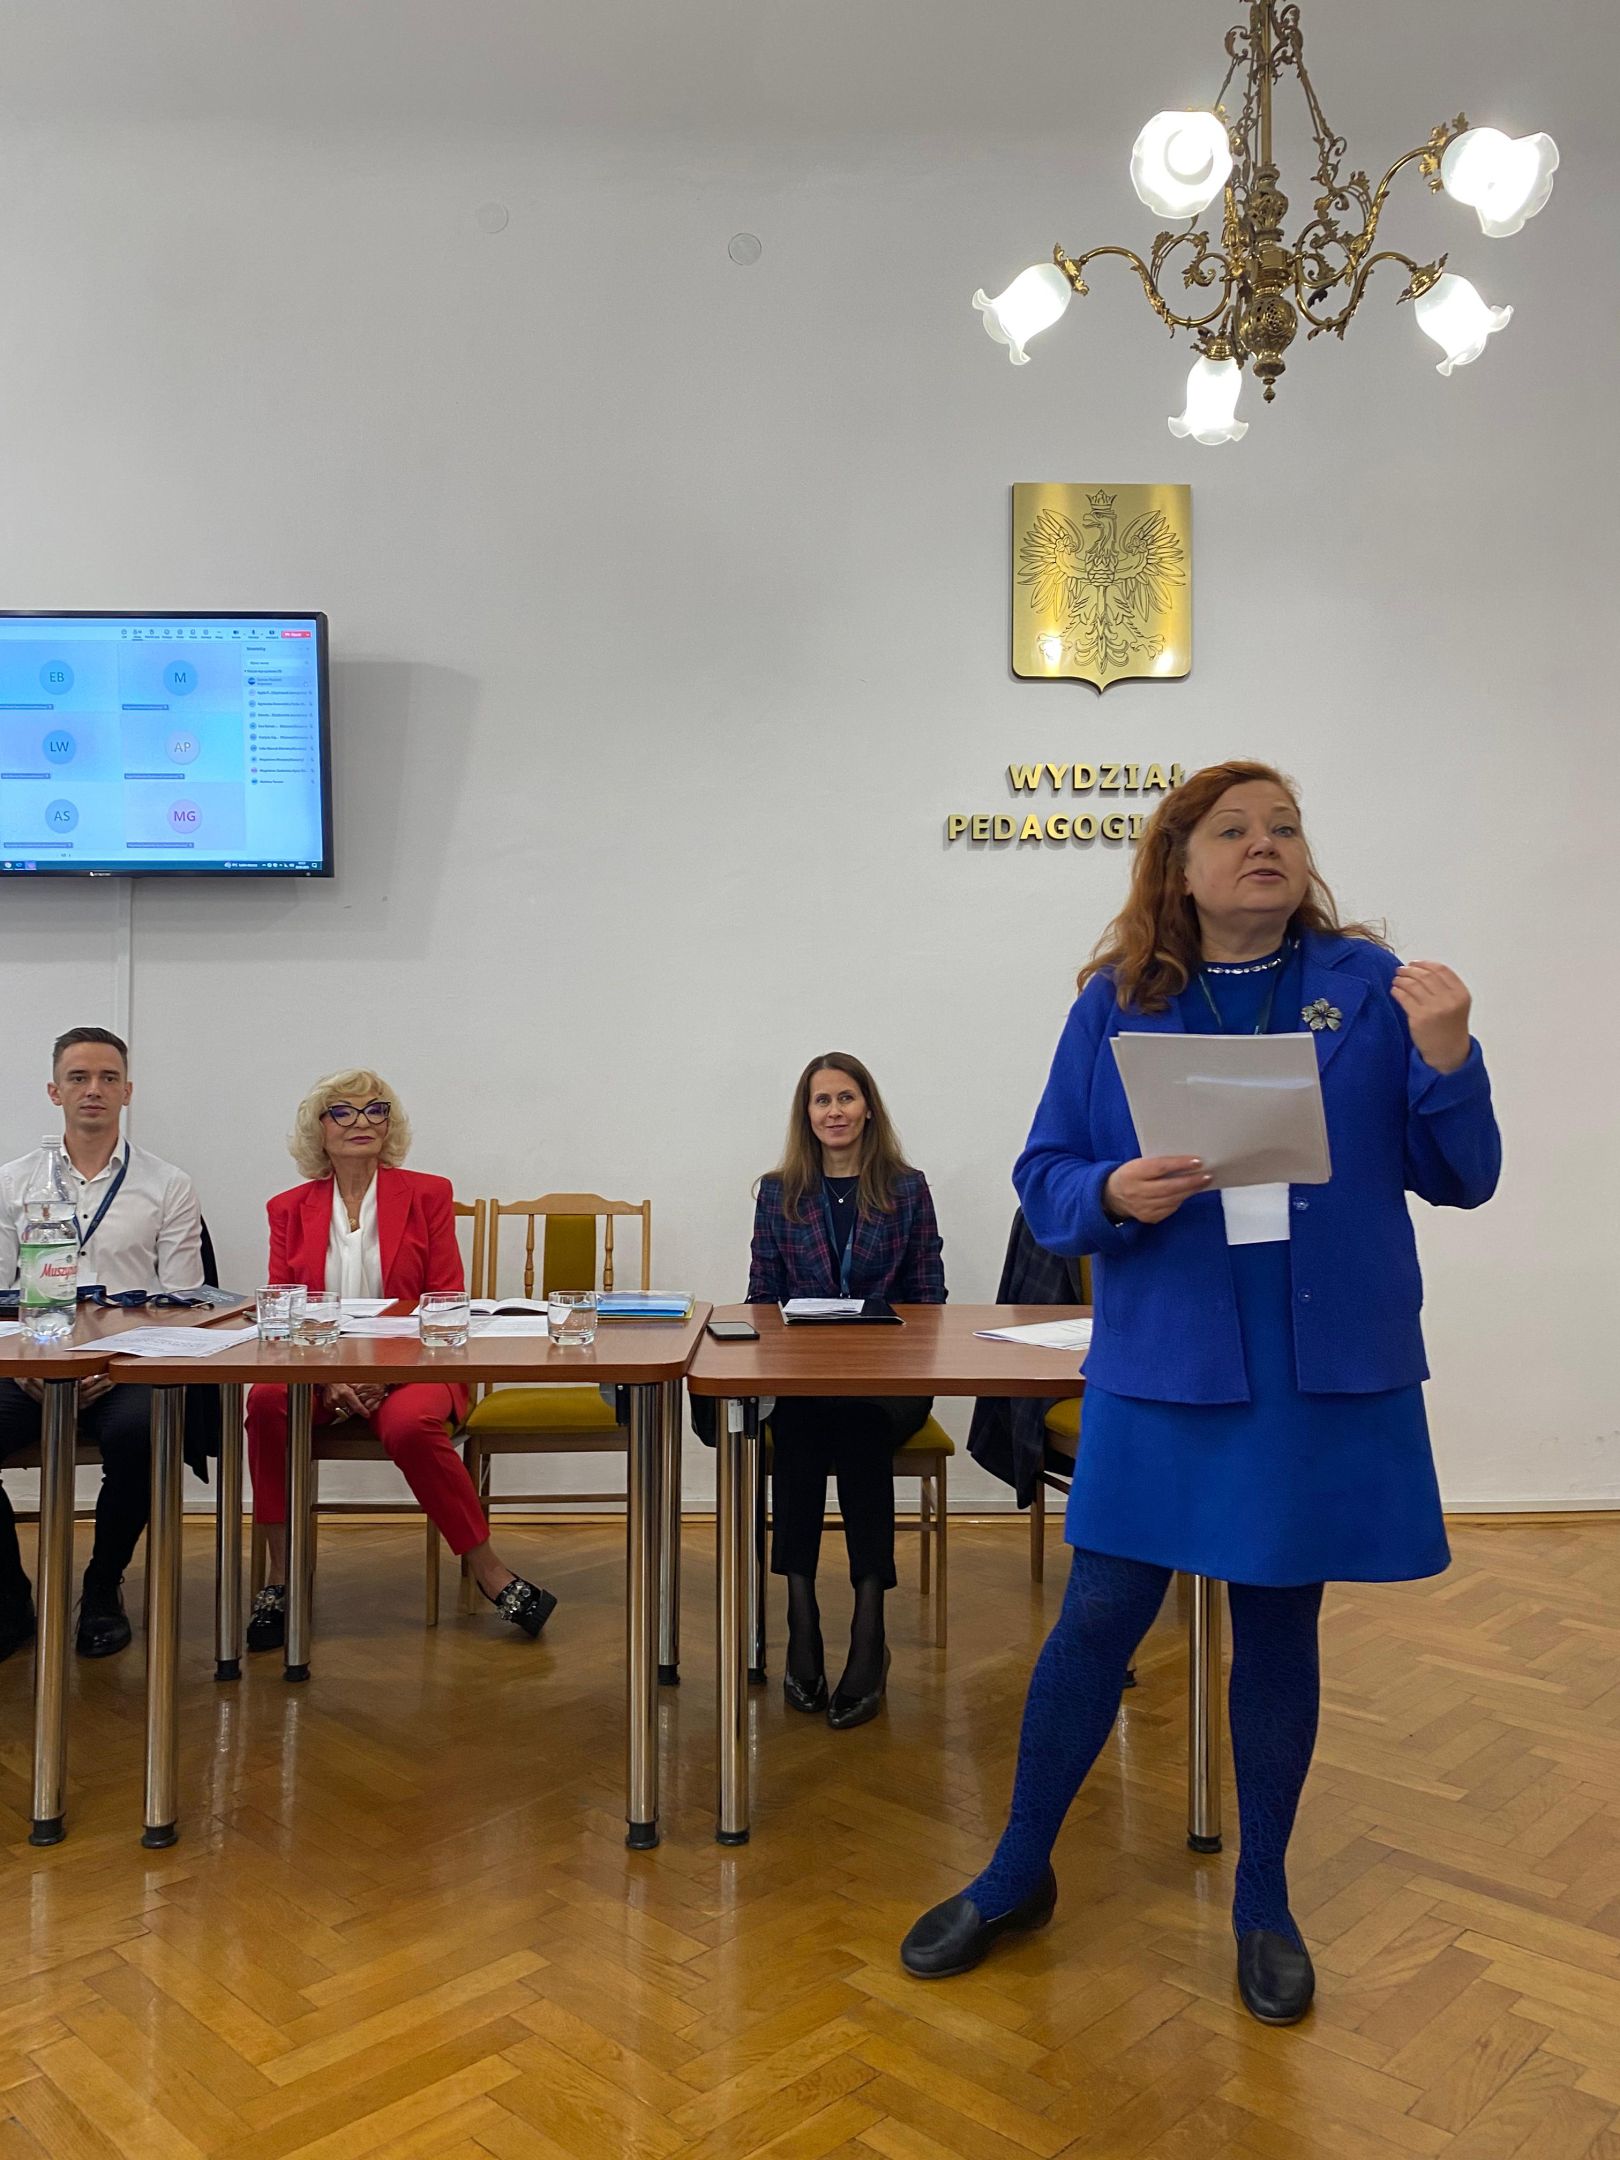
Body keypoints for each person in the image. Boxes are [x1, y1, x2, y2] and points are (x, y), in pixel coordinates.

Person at [900, 761, 1501, 2026]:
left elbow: (1463, 1176)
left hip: (1317, 1361)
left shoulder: (1373, 990)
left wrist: (1450, 1058)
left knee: (1280, 1623)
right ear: (1177, 863)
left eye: (1284, 826)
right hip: (1169, 1358)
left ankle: (1264, 1901)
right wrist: (1111, 1193)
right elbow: (1046, 1176)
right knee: (1099, 1617)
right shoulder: (1117, 1002)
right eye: (1232, 830)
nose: (1264, 844)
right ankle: (1016, 1874)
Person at [244, 1068, 556, 1649]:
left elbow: (446, 1303)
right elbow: (284, 1313)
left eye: (375, 1110)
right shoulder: (287, 1208)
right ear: (318, 1128)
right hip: (318, 1369)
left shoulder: (427, 1194)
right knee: (265, 1401)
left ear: (390, 1124)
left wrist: (383, 1379)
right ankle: (282, 1578)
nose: (361, 1122)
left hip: (420, 1365)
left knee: (411, 1424)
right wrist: (329, 1378)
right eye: (343, 1111)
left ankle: (489, 1570)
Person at [747, 1053, 946, 1729]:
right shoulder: (779, 1193)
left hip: (889, 1382)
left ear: (868, 1108)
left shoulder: (906, 1188)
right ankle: (800, 1613)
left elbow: (929, 1298)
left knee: (860, 1427)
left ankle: (869, 1624)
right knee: (799, 1427)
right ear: (806, 1114)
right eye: (821, 1100)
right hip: (804, 1378)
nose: (834, 1111)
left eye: (846, 1097)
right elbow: (761, 1298)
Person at [0, 1026, 205, 1662]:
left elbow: (183, 1303)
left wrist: (116, 1365)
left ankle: (101, 1587)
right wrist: (27, 1363)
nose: (94, 1089)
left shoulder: (168, 1184)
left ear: (127, 1091)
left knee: (145, 1434)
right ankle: (8, 1598)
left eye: (108, 1078)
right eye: (79, 1077)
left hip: (126, 1368)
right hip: (30, 1362)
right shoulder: (11, 1183)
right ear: (54, 1091)